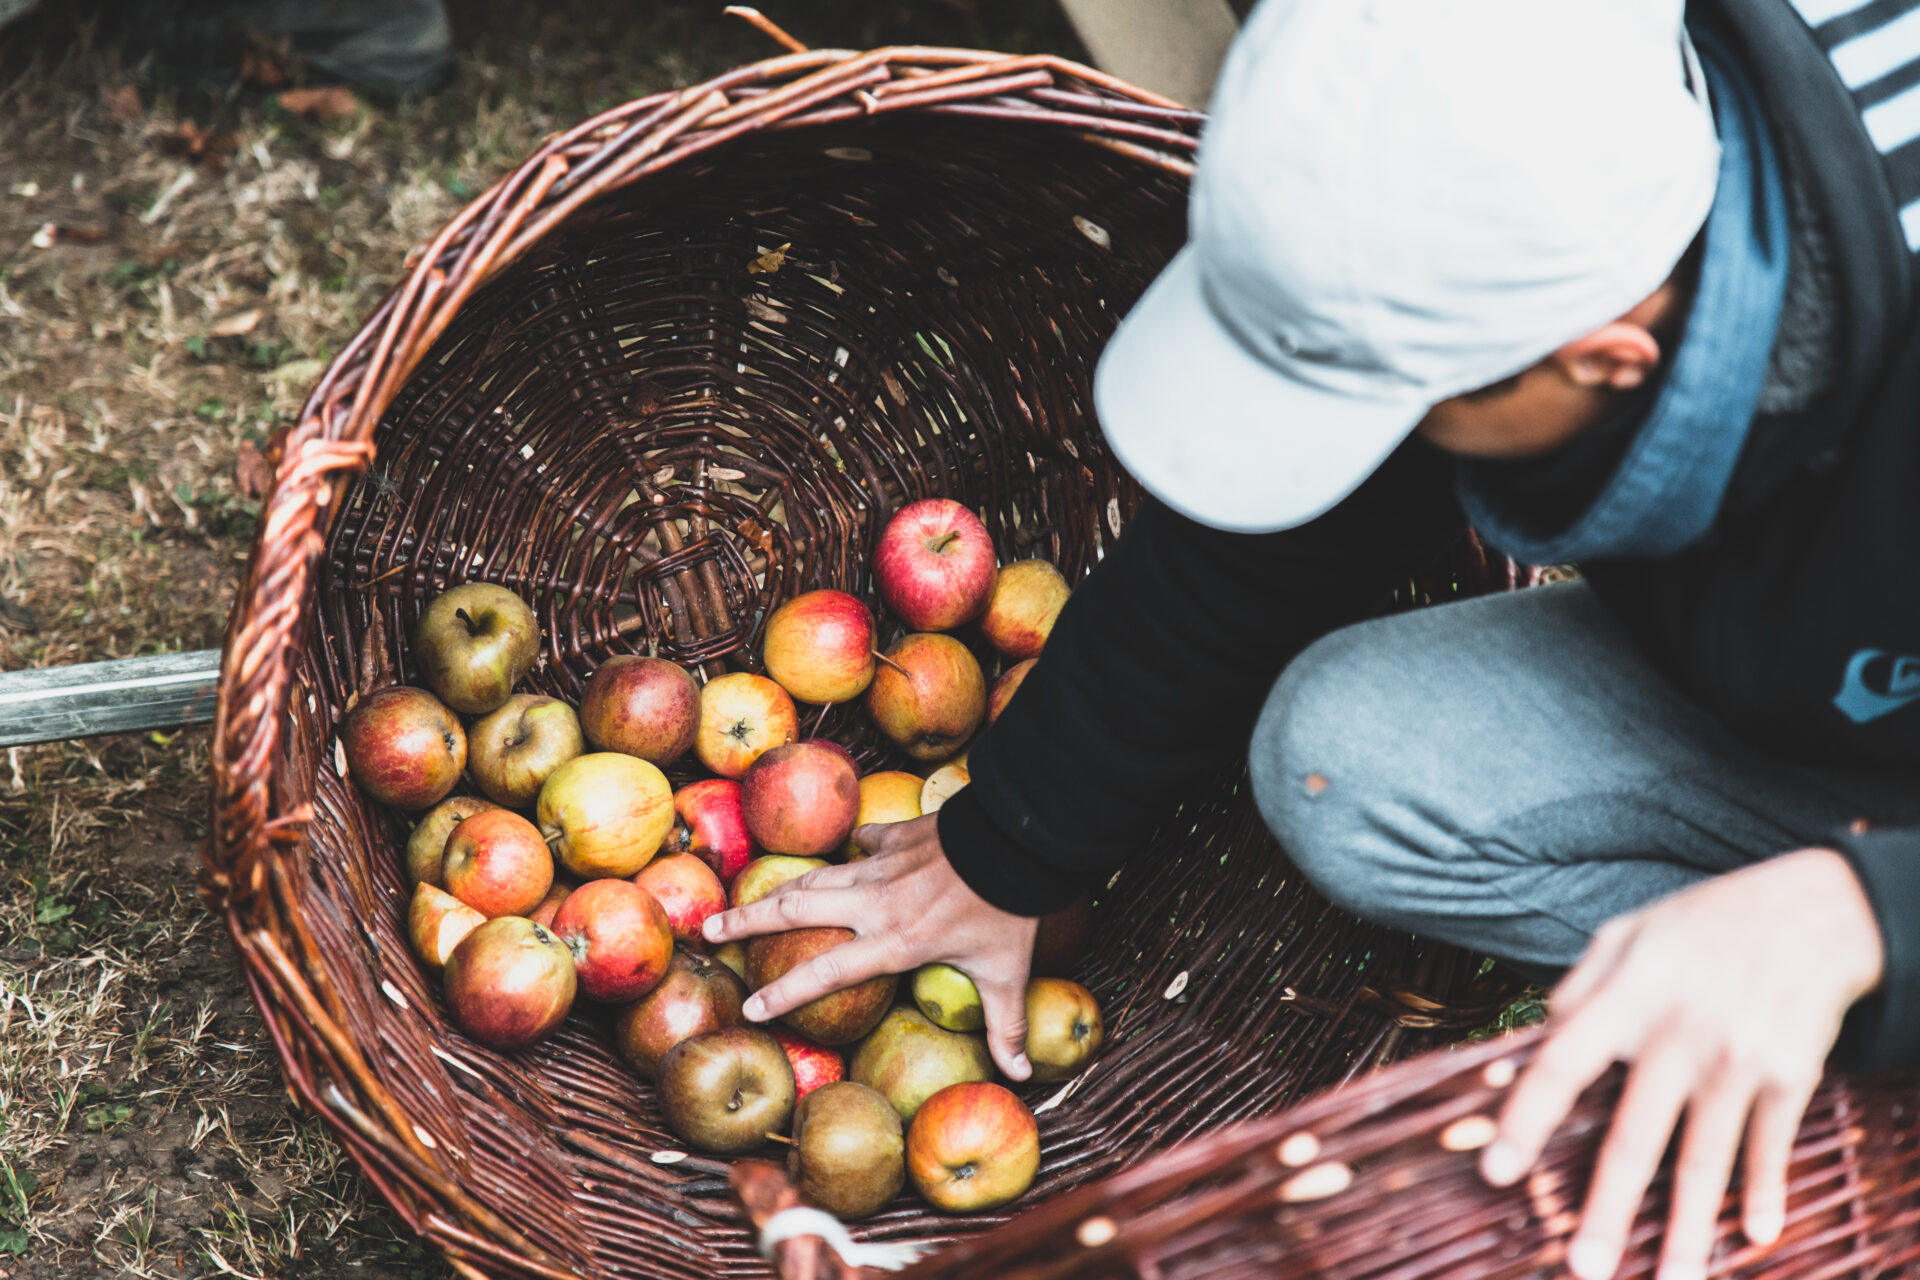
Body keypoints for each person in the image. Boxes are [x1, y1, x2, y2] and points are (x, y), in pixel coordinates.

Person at [707, 1, 1920, 1277]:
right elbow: (1282, 523)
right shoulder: (1529, 100)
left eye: (1409, 405)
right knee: (1347, 760)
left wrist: (1864, 917)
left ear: (1607, 357)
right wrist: (1010, 842)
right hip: (1823, 710)